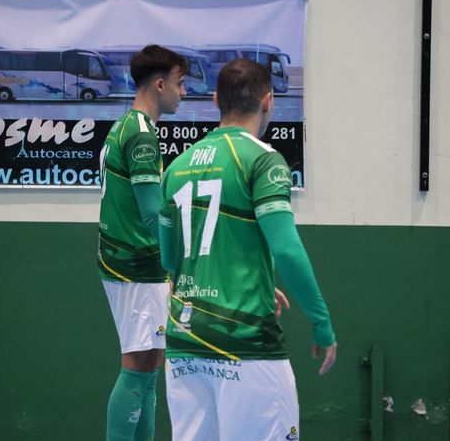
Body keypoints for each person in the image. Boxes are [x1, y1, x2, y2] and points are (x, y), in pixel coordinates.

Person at [159, 58, 337, 441]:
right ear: (268, 99)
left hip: (184, 342)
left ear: (216, 99)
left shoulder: (175, 167)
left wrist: (255, 282)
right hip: (245, 341)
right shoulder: (263, 159)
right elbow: (286, 250)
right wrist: (320, 321)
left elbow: (170, 261)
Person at [97, 44, 187, 441]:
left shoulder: (126, 127)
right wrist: (183, 267)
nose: (183, 92)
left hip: (131, 263)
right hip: (135, 266)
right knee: (137, 369)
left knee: (149, 369)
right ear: (160, 84)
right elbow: (152, 216)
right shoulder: (141, 135)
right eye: (180, 83)